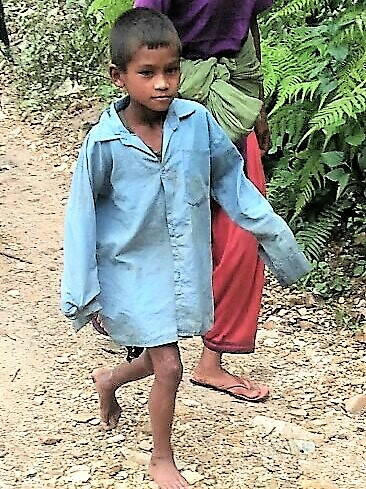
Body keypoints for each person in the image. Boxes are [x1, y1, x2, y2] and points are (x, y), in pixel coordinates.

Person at [61, 8, 310, 489]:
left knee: (158, 354)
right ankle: (160, 458)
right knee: (170, 364)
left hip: (181, 264)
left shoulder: (197, 122)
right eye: (147, 73)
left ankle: (110, 379)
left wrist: (277, 241)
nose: (162, 84)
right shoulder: (104, 143)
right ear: (119, 76)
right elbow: (81, 218)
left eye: (171, 71)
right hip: (130, 268)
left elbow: (233, 186)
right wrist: (83, 292)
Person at [134, 0, 274, 402]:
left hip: (232, 104)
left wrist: (256, 103)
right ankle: (146, 344)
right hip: (173, 104)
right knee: (161, 229)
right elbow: (142, 35)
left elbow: (249, 29)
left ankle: (211, 360)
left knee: (244, 234)